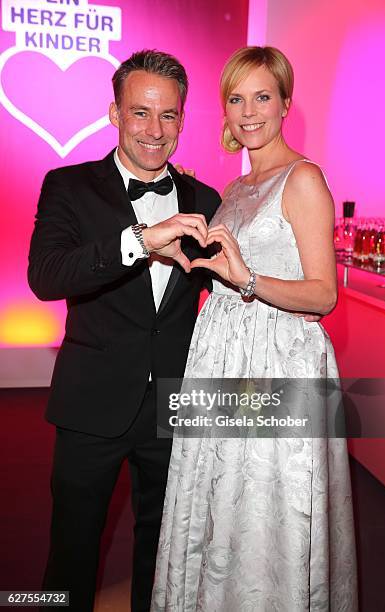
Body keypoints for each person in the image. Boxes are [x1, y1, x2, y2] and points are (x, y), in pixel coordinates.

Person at [151, 46, 358, 611]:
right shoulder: (236, 188)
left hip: (277, 361)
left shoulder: (303, 178)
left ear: (285, 103)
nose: (248, 112)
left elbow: (322, 295)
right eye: (236, 99)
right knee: (225, 503)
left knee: (269, 508)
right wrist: (186, 261)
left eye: (262, 97)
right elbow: (226, 271)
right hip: (224, 354)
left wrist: (246, 280)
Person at [28, 50, 221, 612]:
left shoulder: (206, 201)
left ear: (183, 119)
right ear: (113, 113)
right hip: (92, 403)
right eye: (140, 113)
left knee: (163, 552)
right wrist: (139, 240)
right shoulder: (67, 186)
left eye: (169, 116)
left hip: (174, 405)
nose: (155, 131)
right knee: (71, 551)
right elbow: (46, 277)